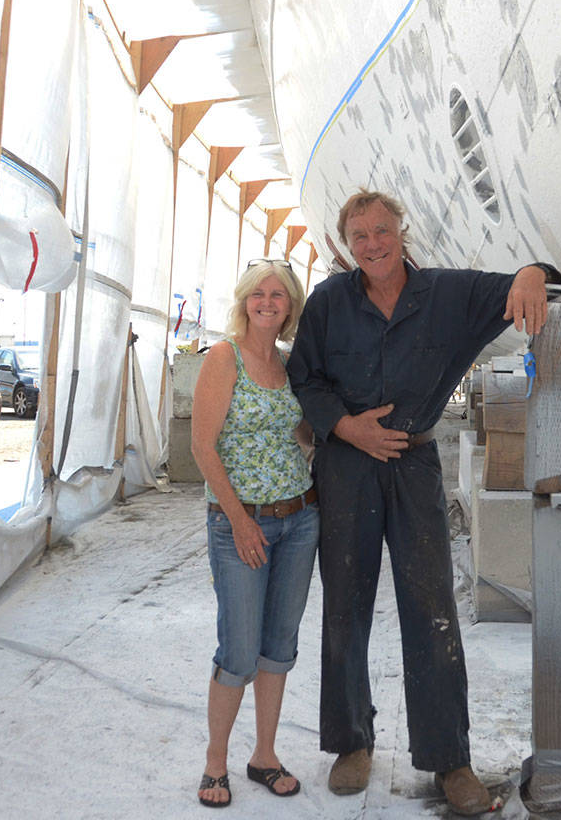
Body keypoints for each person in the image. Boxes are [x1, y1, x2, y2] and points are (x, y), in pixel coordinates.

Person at [288, 190, 561, 815]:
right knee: (345, 604)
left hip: (412, 464)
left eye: (381, 231)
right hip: (347, 464)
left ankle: (450, 759)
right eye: (358, 236)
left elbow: (529, 283)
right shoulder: (330, 301)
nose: (372, 244)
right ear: (345, 243)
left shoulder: (446, 293)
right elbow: (304, 377)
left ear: (400, 231)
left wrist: (531, 274)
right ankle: (351, 743)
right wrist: (348, 426)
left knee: (432, 605)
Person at [191, 259, 320, 808]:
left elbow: (299, 431)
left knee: (278, 648)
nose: (268, 302)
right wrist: (242, 520)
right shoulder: (224, 359)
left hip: (300, 518)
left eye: (279, 295)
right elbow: (202, 447)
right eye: (258, 294)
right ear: (244, 300)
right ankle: (215, 763)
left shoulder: (290, 365)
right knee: (240, 651)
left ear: (290, 305)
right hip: (240, 523)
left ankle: (264, 754)